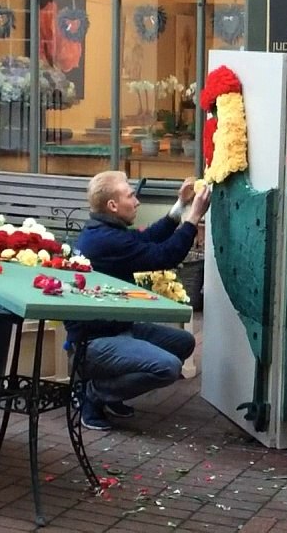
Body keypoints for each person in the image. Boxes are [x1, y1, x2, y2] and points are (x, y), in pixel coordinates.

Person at [70, 170, 211, 430]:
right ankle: (92, 393)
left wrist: (181, 204)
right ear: (113, 205)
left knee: (183, 343)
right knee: (167, 368)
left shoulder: (104, 230)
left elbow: (146, 239)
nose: (137, 201)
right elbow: (164, 256)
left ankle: (111, 393)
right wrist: (194, 218)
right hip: (93, 343)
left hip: (117, 328)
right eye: (130, 195)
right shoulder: (105, 240)